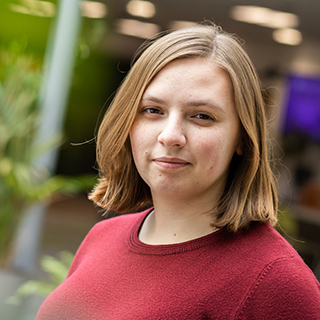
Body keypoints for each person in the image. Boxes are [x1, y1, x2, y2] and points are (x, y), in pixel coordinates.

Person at [36, 22, 320, 319]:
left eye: (201, 116)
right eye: (153, 110)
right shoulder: (103, 236)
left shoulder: (275, 282)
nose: (170, 135)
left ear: (242, 138)